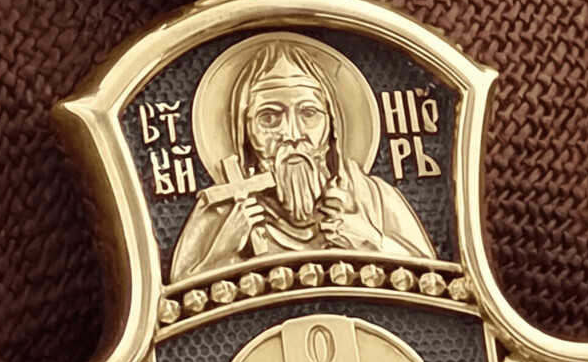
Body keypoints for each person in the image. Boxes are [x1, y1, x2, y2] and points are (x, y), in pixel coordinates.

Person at [169, 36, 436, 280]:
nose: (292, 135)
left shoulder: (375, 200)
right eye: (269, 118)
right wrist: (222, 253)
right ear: (245, 132)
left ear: (332, 126)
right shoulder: (220, 211)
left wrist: (371, 242)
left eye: (308, 114)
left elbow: (434, 282)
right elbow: (174, 302)